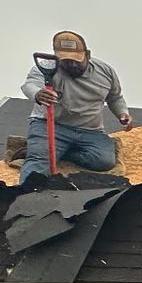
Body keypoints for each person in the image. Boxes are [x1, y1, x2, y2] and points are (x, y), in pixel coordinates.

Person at [19, 31, 131, 183]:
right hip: (50, 125)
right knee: (38, 163)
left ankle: (58, 152)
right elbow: (30, 85)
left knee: (104, 161)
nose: (71, 65)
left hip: (90, 130)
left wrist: (123, 114)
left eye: (76, 60)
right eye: (65, 61)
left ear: (88, 55)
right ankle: (26, 195)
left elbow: (115, 97)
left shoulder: (105, 72)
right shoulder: (46, 69)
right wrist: (38, 94)